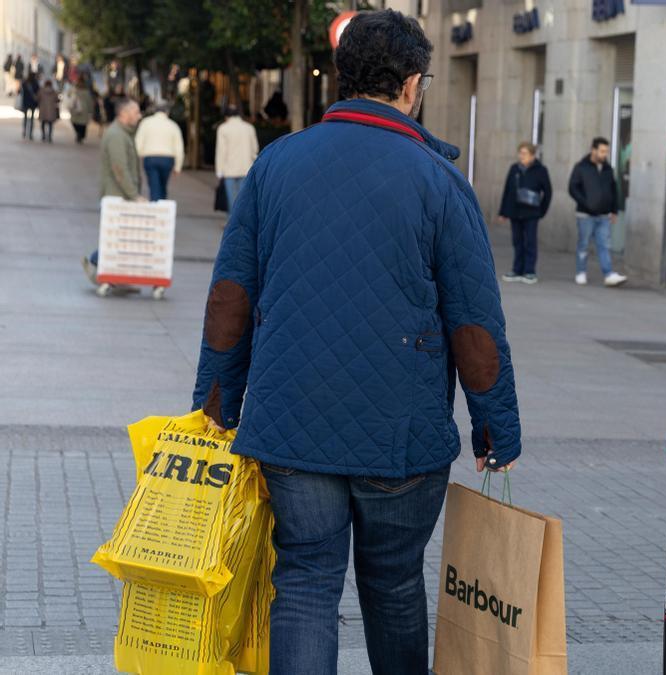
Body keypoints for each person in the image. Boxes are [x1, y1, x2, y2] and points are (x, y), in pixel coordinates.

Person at [191, 11, 520, 674]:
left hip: (291, 423)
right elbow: (475, 323)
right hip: (399, 435)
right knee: (394, 587)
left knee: (306, 584)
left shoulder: (277, 163)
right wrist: (496, 427)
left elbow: (230, 298)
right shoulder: (440, 182)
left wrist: (216, 403)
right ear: (410, 84)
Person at [82, 98, 143, 284]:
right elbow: (120, 169)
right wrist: (134, 195)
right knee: (116, 237)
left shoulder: (124, 133)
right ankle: (94, 261)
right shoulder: (117, 135)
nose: (139, 116)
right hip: (117, 196)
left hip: (119, 196)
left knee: (119, 237)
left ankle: (112, 274)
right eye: (136, 112)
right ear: (123, 114)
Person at [568, 137, 627, 287]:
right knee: (583, 244)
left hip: (604, 215)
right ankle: (581, 272)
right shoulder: (581, 167)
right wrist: (586, 203)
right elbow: (573, 188)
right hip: (585, 215)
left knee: (604, 245)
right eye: (601, 151)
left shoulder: (608, 169)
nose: (604, 154)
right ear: (593, 150)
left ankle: (608, 274)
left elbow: (614, 190)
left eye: (606, 151)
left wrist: (614, 210)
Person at [498, 141, 552, 284]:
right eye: (520, 153)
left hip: (532, 212)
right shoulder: (514, 169)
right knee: (517, 241)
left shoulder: (541, 170)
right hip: (515, 211)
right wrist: (503, 211)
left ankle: (529, 271)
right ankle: (517, 270)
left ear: (533, 155)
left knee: (530, 242)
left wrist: (542, 210)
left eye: (524, 153)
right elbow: (507, 190)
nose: (521, 156)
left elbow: (548, 192)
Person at [135, 104, 185, 201]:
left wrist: (138, 154)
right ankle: (162, 203)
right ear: (167, 112)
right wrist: (178, 166)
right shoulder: (173, 125)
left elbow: (139, 141)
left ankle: (156, 205)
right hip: (167, 159)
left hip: (150, 158)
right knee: (163, 184)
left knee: (154, 185)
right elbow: (179, 147)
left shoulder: (146, 122)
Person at [215, 105, 260, 207]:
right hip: (246, 169)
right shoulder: (249, 128)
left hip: (228, 170)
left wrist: (219, 171)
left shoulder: (223, 129)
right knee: (244, 201)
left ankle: (232, 222)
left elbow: (221, 151)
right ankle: (242, 222)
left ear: (226, 116)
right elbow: (255, 149)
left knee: (232, 201)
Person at [69, 80, 95, 144]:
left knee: (75, 122)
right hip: (84, 110)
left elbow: (69, 98)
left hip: (76, 110)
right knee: (83, 124)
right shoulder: (86, 92)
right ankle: (81, 135)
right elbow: (89, 102)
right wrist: (90, 110)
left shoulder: (75, 91)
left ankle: (79, 134)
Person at [36, 79, 59, 143]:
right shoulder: (54, 91)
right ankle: (49, 136)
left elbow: (37, 98)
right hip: (51, 110)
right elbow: (57, 99)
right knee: (50, 124)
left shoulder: (41, 91)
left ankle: (43, 135)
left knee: (43, 123)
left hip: (43, 109)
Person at [19, 72, 39, 140]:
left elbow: (20, 91)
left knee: (25, 118)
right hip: (33, 103)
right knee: (32, 119)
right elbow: (38, 92)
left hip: (26, 103)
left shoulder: (25, 83)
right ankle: (30, 133)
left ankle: (24, 131)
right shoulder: (35, 83)